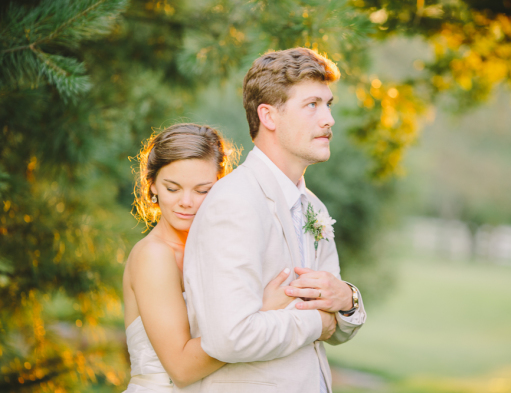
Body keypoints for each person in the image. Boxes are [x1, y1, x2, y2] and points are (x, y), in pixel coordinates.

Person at [180, 48, 367, 393]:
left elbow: (337, 328)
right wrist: (315, 322)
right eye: (312, 105)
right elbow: (230, 338)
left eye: (328, 104)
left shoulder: (313, 207)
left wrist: (347, 299)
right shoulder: (234, 201)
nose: (329, 119)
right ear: (268, 116)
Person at [122, 124, 301, 392]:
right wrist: (261, 311)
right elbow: (181, 369)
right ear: (152, 186)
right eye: (173, 188)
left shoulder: (221, 248)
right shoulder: (154, 255)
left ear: (222, 186)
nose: (186, 202)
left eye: (202, 190)